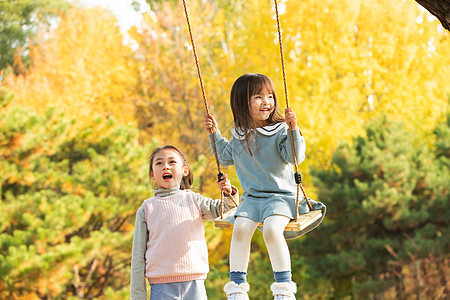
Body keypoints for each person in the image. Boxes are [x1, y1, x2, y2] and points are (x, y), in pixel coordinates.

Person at [204, 73, 325, 300]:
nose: (267, 102)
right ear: (242, 103)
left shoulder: (280, 130)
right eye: (258, 97)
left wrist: (294, 129)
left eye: (270, 96)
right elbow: (224, 156)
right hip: (252, 199)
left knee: (271, 230)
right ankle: (237, 289)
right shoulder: (240, 137)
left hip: (282, 197)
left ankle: (284, 289)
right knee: (239, 230)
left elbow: (294, 155)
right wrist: (215, 132)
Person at [130, 145, 239, 300]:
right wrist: (138, 297)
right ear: (152, 174)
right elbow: (138, 258)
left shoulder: (194, 199)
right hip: (161, 287)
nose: (165, 166)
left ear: (185, 170)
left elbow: (224, 210)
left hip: (195, 284)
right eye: (159, 163)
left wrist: (228, 192)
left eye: (172, 162)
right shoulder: (146, 209)